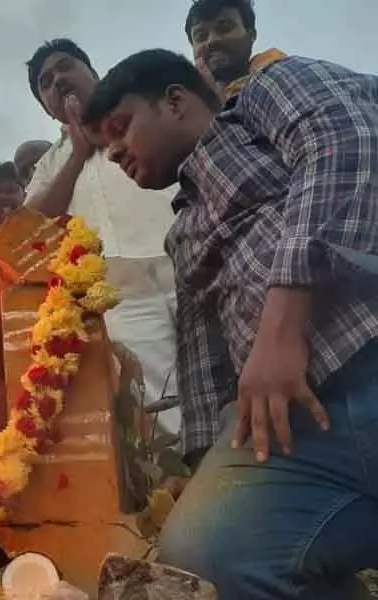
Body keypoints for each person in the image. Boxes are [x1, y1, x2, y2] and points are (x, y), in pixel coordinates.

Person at [82, 48, 378, 599]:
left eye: (120, 128)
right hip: (301, 426)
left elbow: (348, 139)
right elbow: (204, 366)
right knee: (202, 556)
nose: (116, 151)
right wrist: (204, 470)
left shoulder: (263, 95)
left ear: (175, 101)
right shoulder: (183, 232)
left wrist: (281, 327)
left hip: (366, 346)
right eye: (104, 147)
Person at [23, 39, 180, 430]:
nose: (57, 80)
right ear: (45, 106)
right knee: (163, 408)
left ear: (92, 73)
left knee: (233, 377)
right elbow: (32, 227)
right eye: (45, 82)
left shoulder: (139, 116)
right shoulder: (50, 163)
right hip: (120, 295)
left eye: (65, 68)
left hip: (191, 261)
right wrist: (77, 154)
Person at [185, 0, 287, 101]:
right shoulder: (187, 105)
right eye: (201, 36)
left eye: (225, 28)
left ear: (251, 35)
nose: (212, 40)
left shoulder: (278, 73)